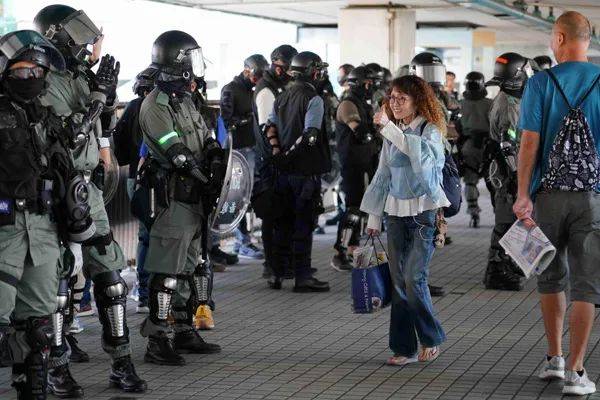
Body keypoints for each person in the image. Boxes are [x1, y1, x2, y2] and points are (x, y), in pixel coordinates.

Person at [34, 4, 147, 395]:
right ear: (53, 35)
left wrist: (108, 100)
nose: (85, 41)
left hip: (88, 188)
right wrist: (98, 99)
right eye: (75, 32)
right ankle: (57, 367)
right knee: (58, 283)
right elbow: (59, 136)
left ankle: (121, 361)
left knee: (111, 277)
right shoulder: (42, 80)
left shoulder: (78, 75)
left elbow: (100, 128)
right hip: (53, 189)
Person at [0, 29, 95, 400]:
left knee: (39, 323)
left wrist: (76, 223)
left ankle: (32, 386)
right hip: (4, 227)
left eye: (37, 72)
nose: (30, 78)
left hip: (42, 228)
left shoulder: (47, 118)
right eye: (22, 71)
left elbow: (66, 170)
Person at [514, 11, 600, 396]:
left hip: (547, 196)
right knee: (587, 284)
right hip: (593, 198)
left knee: (550, 277)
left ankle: (555, 358)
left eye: (552, 35)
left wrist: (522, 194)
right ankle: (578, 372)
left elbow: (528, 142)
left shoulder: (540, 83)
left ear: (562, 38)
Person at [138, 30, 223, 366]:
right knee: (167, 270)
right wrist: (207, 179)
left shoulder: (186, 100)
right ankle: (157, 339)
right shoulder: (154, 106)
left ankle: (184, 329)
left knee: (190, 266)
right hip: (174, 198)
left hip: (194, 200)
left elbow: (205, 139)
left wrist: (217, 156)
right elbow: (179, 154)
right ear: (179, 63)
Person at [361, 75, 448, 366]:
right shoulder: (393, 130)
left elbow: (421, 162)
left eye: (402, 99)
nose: (395, 104)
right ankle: (404, 347)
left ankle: (431, 337)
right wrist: (374, 217)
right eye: (392, 98)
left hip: (424, 214)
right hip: (395, 215)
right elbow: (383, 174)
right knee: (398, 281)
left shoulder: (431, 131)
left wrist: (387, 128)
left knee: (414, 278)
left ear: (417, 101)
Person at [264, 51, 331, 292]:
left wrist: (278, 155)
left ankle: (277, 274)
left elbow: (269, 126)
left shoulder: (281, 96)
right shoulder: (314, 99)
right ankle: (303, 276)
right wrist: (290, 156)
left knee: (283, 223)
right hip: (304, 172)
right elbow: (310, 135)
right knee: (304, 223)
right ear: (313, 71)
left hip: (282, 173)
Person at [483, 52, 534, 292]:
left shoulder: (514, 98)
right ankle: (496, 271)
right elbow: (507, 143)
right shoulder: (507, 103)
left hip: (511, 166)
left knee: (516, 219)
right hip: (506, 169)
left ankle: (510, 262)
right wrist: (515, 175)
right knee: (505, 218)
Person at [409, 51, 455, 296]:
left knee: (431, 225)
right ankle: (416, 283)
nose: (432, 79)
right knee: (420, 228)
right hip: (418, 173)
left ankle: (418, 281)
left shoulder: (438, 100)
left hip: (436, 166)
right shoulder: (411, 100)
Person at [113, 65, 158, 314]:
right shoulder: (162, 107)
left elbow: (118, 142)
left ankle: (143, 292)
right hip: (161, 179)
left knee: (144, 235)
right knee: (158, 235)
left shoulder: (133, 106)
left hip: (134, 176)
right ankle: (155, 292)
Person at [252, 44, 298, 279]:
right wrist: (279, 155)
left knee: (286, 213)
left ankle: (282, 262)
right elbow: (267, 127)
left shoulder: (282, 86)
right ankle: (272, 265)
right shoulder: (266, 90)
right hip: (270, 162)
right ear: (279, 68)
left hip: (280, 160)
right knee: (272, 214)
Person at [220, 54, 269, 259]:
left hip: (253, 148)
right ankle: (242, 240)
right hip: (238, 150)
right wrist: (247, 120)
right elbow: (226, 120)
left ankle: (246, 238)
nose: (259, 79)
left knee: (250, 195)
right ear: (247, 70)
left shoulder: (253, 90)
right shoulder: (230, 89)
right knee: (238, 195)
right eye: (257, 75)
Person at [331, 66, 379, 271]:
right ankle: (339, 252)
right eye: (368, 83)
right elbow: (360, 133)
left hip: (364, 161)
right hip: (352, 163)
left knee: (361, 209)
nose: (371, 87)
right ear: (358, 83)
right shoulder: (348, 104)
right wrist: (377, 131)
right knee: (352, 209)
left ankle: (353, 249)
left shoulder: (362, 103)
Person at [457, 71, 493, 228]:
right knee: (493, 181)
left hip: (468, 145)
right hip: (488, 146)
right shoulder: (490, 103)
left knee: (470, 181)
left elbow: (457, 126)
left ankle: (473, 212)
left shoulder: (461, 104)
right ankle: (500, 214)